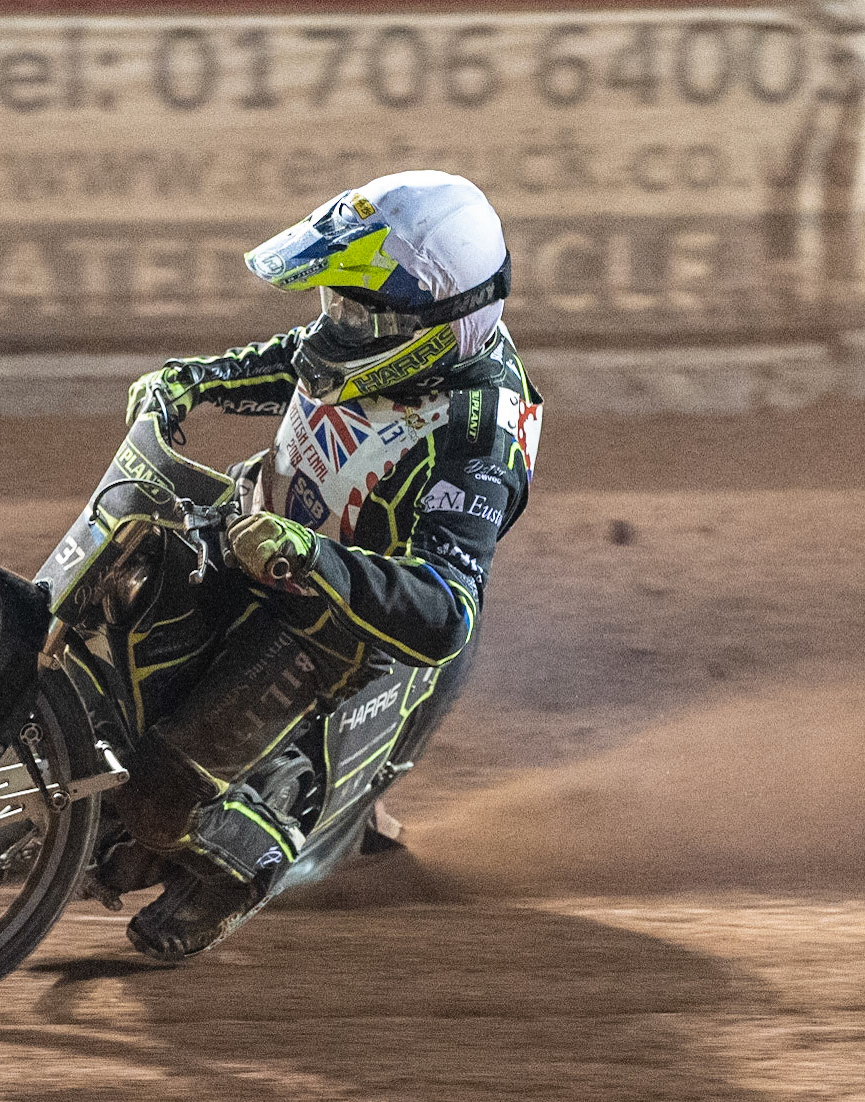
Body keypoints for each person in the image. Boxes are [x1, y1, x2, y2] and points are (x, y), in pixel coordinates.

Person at [109, 170, 542, 961]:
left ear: (440, 321)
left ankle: (238, 866)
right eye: (335, 302)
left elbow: (445, 609)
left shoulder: (481, 437)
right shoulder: (385, 348)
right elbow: (301, 362)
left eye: (359, 310)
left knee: (166, 780)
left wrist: (309, 556)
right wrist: (193, 378)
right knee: (136, 601)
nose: (339, 323)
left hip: (351, 629)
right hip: (271, 535)